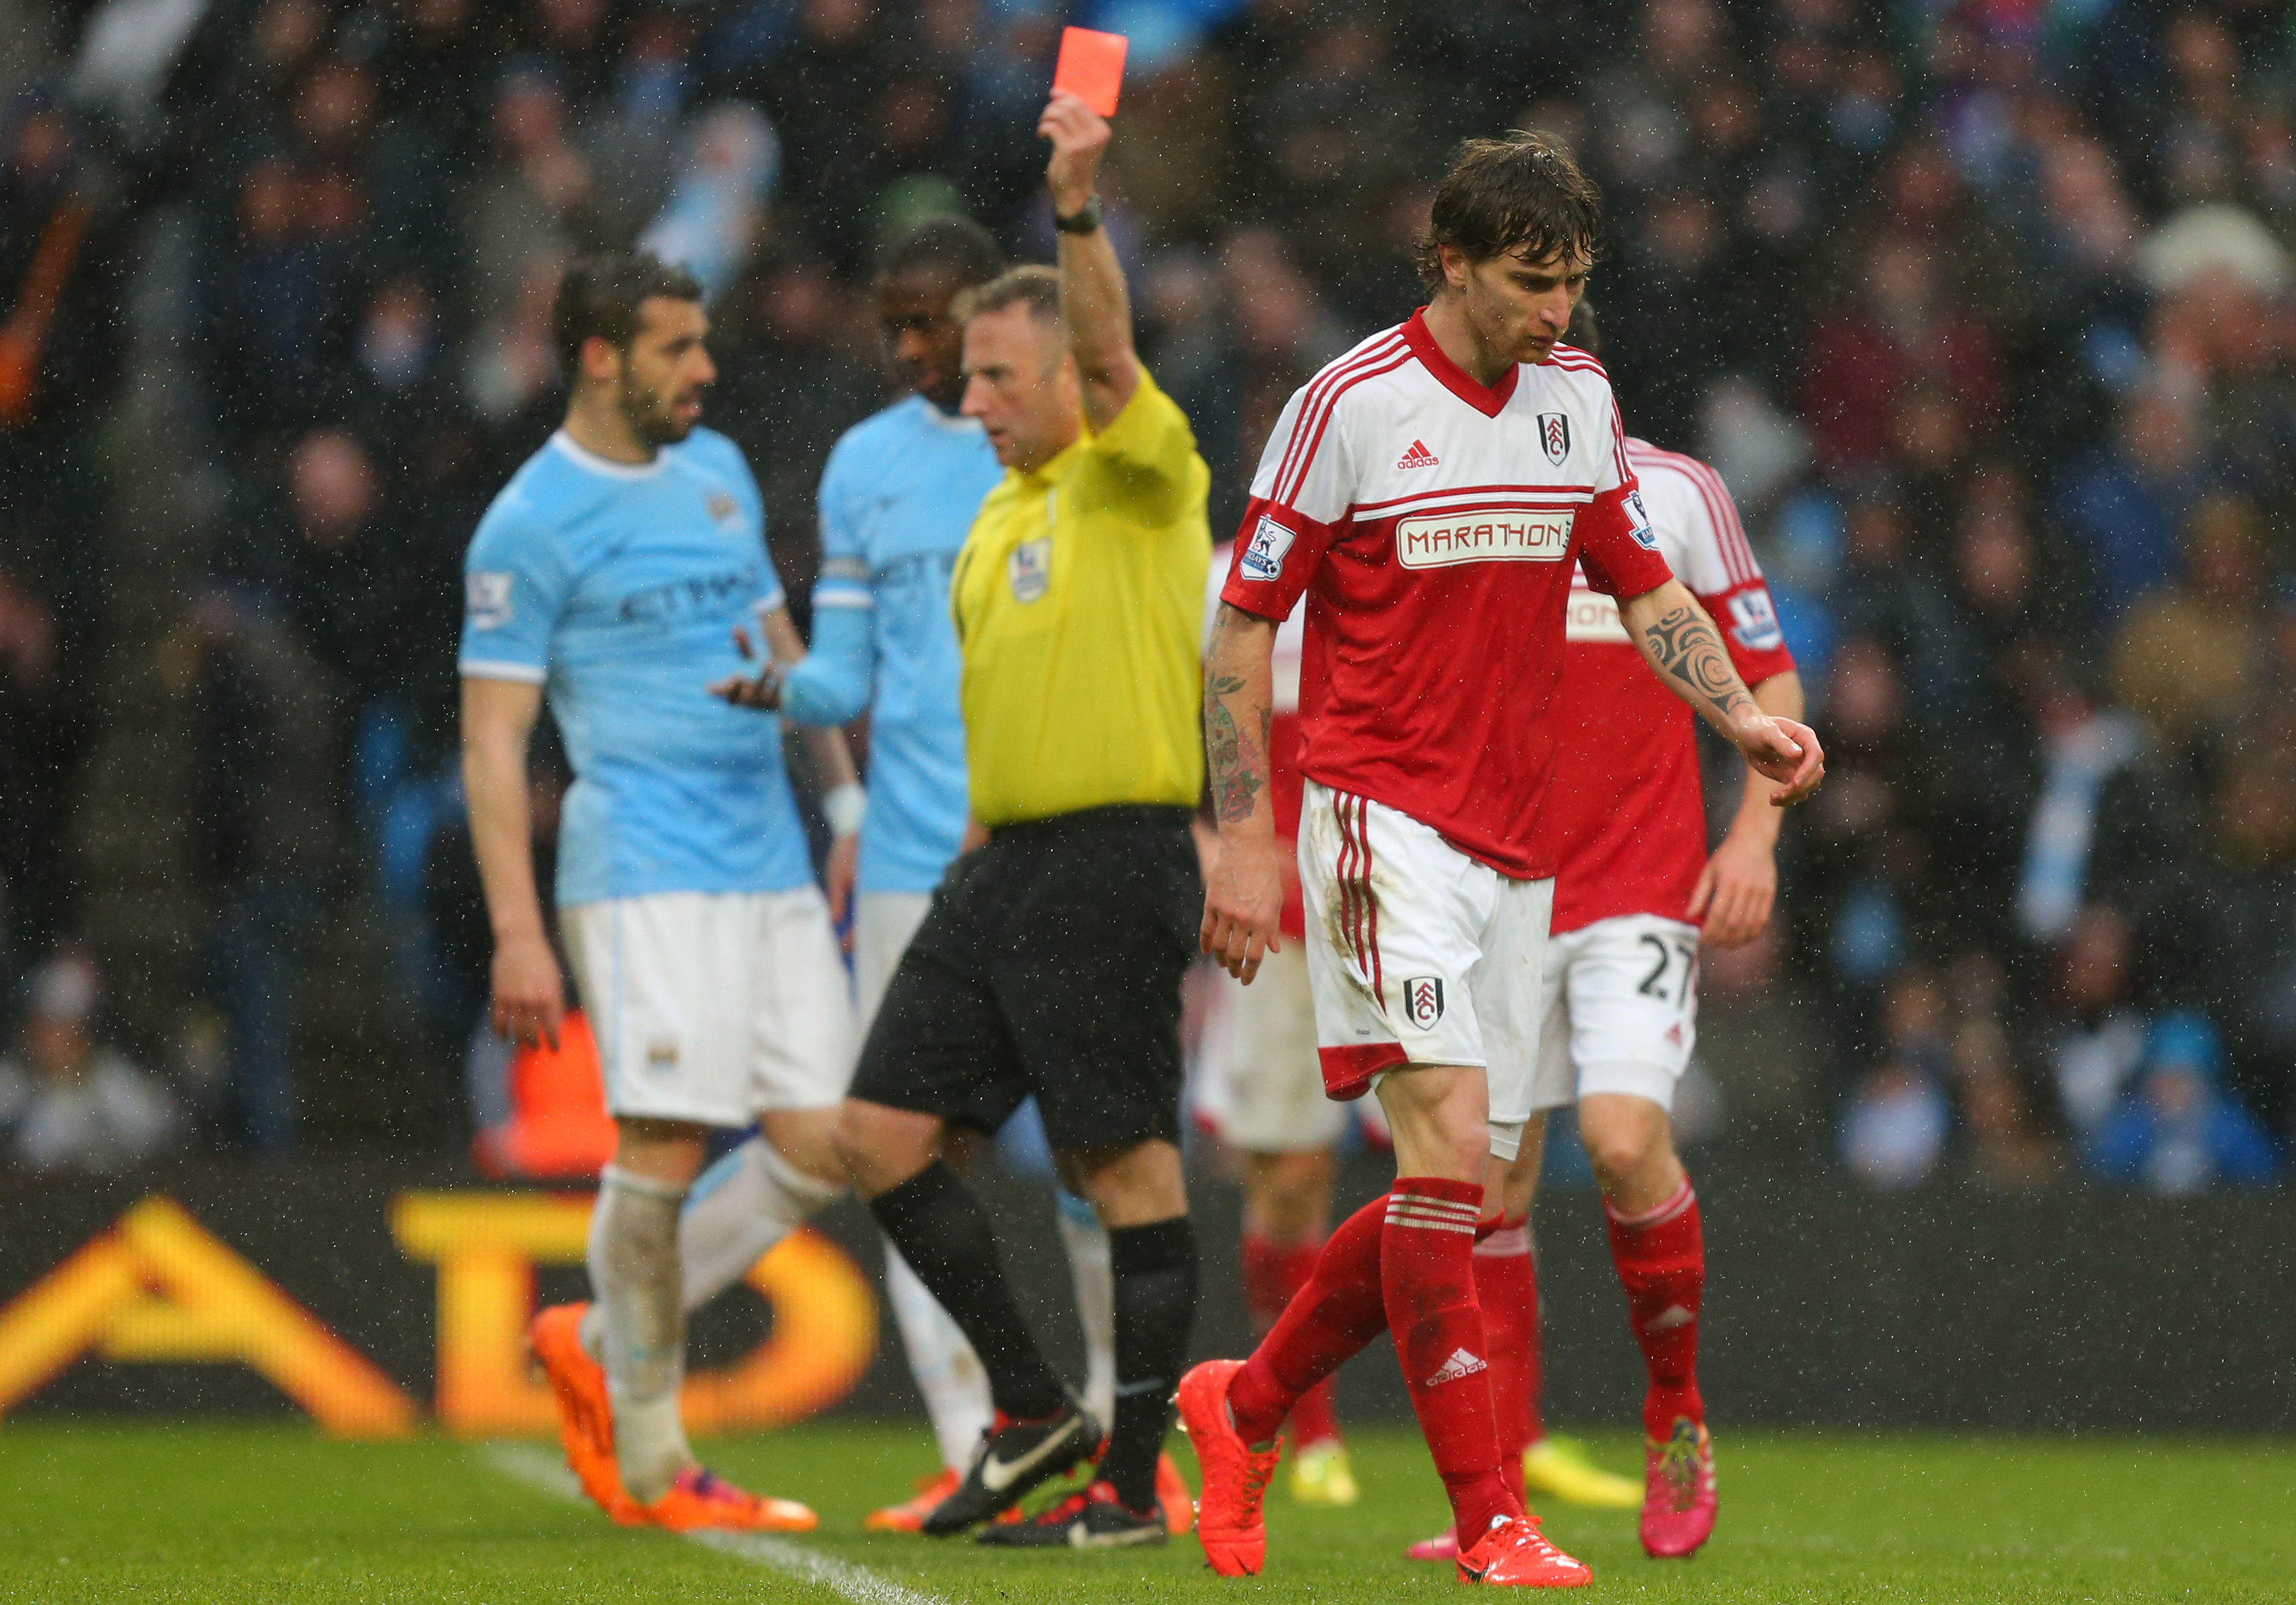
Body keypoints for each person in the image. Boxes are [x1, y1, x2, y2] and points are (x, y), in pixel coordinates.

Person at [1177, 132, 1823, 1589]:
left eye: (1574, 284)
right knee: (1456, 1157)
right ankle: (1487, 1519)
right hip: (1375, 814)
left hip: (1518, 843)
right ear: (1450, 260)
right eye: (1531, 283)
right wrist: (1235, 834)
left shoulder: (1574, 399)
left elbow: (1641, 584)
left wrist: (1740, 720)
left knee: (1457, 1177)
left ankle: (1248, 1398)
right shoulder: (1345, 404)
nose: (1555, 313)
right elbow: (1242, 631)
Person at [772, 90, 1212, 1549]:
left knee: (1120, 1169)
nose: (975, 404)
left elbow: (1102, 343)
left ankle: (1135, 1486)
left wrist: (1077, 206)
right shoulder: (997, 513)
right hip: (995, 861)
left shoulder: (1137, 477)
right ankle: (1033, 1412)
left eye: (1002, 378)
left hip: (1110, 855)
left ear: (1075, 378)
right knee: (878, 1132)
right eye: (969, 380)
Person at [460, 252, 863, 1532]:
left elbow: (779, 644)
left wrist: (841, 798)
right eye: (677, 346)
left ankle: (597, 1327)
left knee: (820, 1144)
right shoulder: (529, 522)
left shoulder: (718, 472)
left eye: (702, 342)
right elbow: (490, 741)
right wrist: (519, 931)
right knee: (667, 1141)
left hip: (769, 857)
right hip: (640, 869)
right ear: (597, 355)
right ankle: (654, 1453)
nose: (704, 366)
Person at [1404, 301, 1803, 1566]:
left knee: (1626, 1143)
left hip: (1639, 883)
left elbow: (1771, 673)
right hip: (1503, 883)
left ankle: (1675, 1404)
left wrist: (1752, 839)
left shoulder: (1679, 495)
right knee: (1494, 1186)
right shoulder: (1482, 485)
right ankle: (1502, 1495)